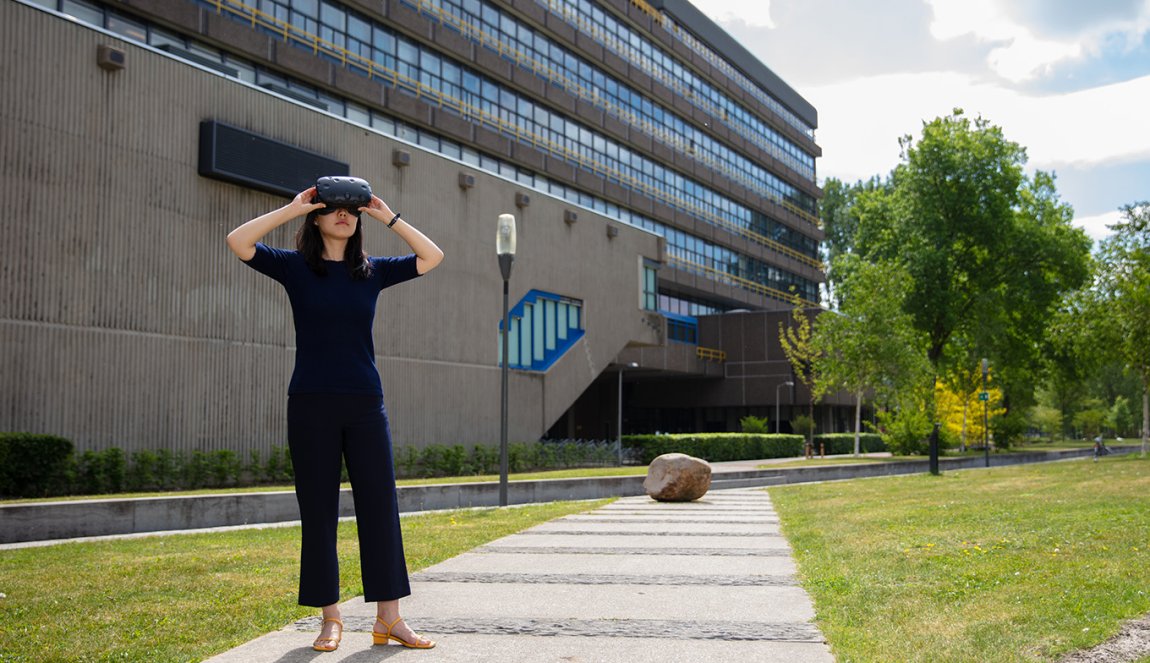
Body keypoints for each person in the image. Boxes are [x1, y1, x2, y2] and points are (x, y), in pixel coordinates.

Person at [226, 177, 444, 652]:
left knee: (380, 508)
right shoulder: (294, 268)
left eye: (352, 210)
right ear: (317, 217)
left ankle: (390, 619)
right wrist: (294, 205)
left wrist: (388, 215)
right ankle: (330, 618)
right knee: (319, 511)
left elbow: (432, 257)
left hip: (366, 403)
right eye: (331, 208)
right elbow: (238, 241)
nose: (344, 215)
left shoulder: (373, 271)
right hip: (311, 403)